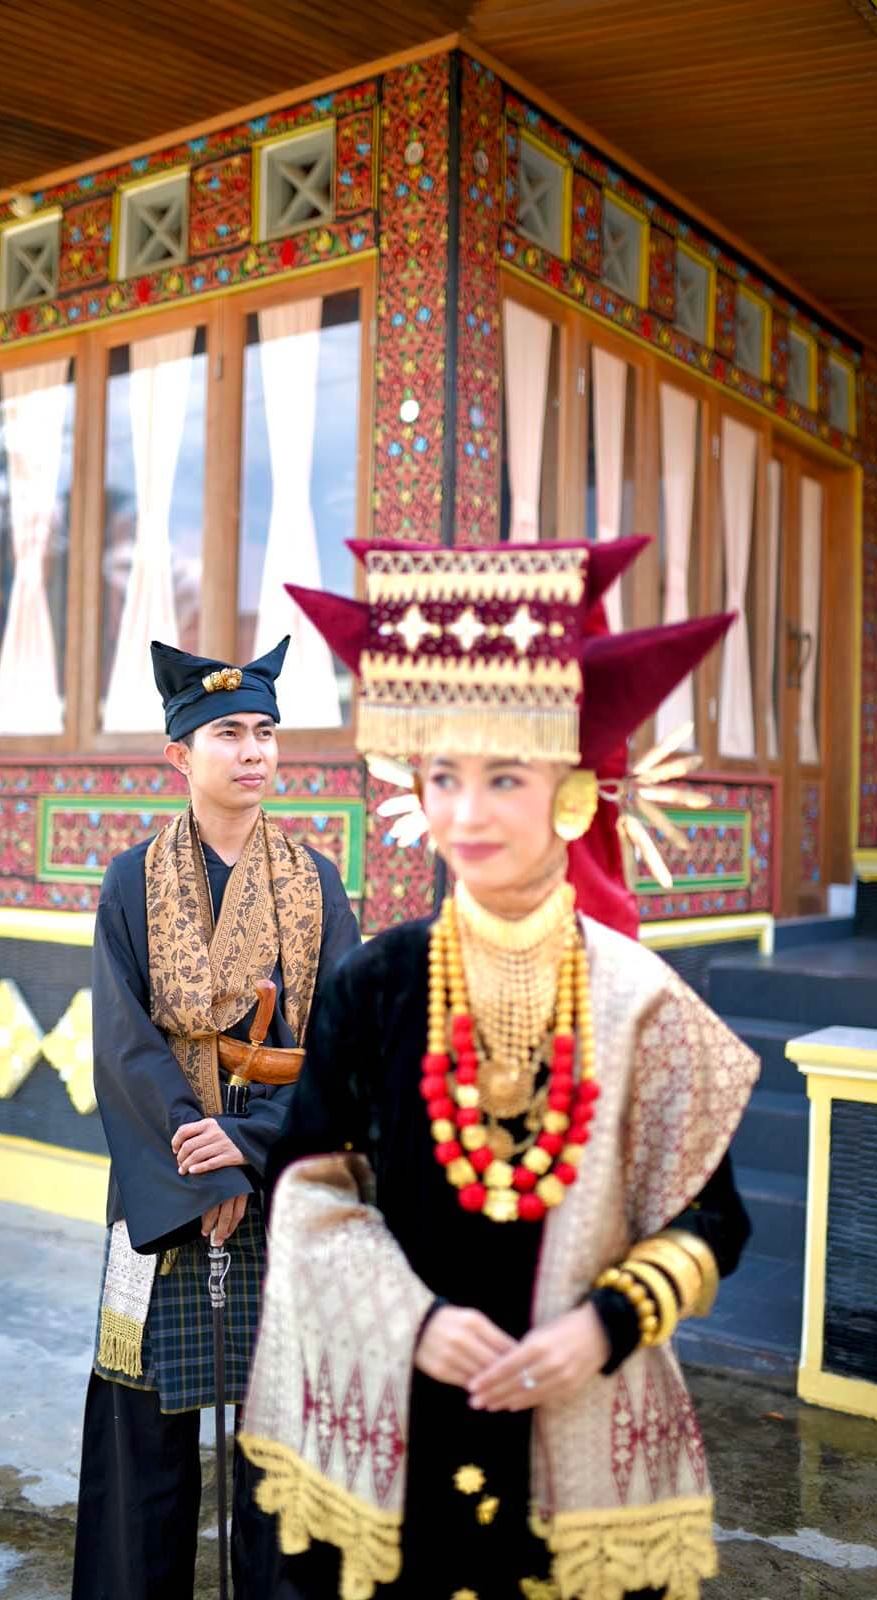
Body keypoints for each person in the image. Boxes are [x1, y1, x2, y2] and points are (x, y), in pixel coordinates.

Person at [238, 537, 760, 1600]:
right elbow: (304, 1189)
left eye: (503, 778)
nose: (465, 815)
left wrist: (605, 1325)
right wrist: (413, 1321)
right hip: (398, 1425)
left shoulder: (640, 999)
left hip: (574, 1425)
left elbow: (712, 1219)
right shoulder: (374, 985)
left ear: (570, 792)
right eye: (442, 777)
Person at [71, 636, 360, 1600]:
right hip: (162, 1182)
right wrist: (204, 1171)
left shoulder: (316, 885)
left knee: (281, 1441)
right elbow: (123, 1047)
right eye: (228, 732)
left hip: (285, 1176)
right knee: (140, 1423)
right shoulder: (130, 882)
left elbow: (344, 1046)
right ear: (179, 756)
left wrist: (249, 1144)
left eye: (265, 732)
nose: (253, 751)